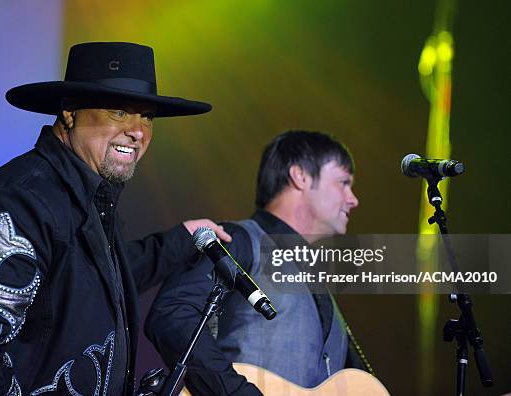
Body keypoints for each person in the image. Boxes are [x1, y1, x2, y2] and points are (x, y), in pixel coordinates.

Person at [0, 42, 230, 396]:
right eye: (119, 112)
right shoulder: (19, 202)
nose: (138, 131)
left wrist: (181, 240)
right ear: (69, 113)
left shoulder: (85, 200)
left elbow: (90, 284)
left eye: (147, 117)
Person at [146, 130, 372, 395]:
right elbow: (172, 312)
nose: (353, 199)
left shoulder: (317, 284)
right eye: (344, 182)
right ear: (300, 176)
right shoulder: (237, 240)